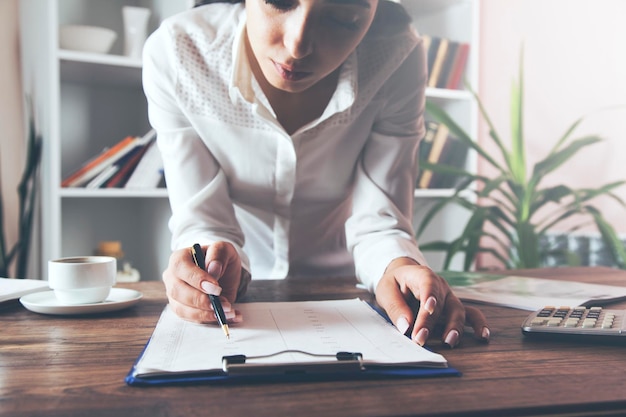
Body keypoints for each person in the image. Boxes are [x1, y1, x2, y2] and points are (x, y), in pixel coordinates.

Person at [143, 0, 489, 348]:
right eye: (279, 2)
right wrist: (205, 265)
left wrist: (398, 266)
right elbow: (203, 220)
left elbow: (382, 221)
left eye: (343, 17)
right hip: (241, 293)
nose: (297, 46)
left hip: (348, 294)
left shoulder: (397, 56)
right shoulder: (178, 51)